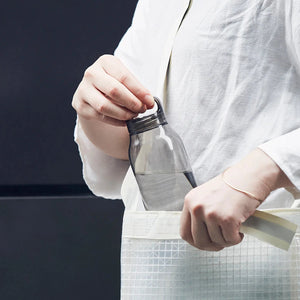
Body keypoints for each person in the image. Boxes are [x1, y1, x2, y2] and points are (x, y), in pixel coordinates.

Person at [72, 0, 300, 294]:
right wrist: (97, 109)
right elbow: (126, 153)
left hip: (273, 267)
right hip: (169, 276)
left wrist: (265, 168)